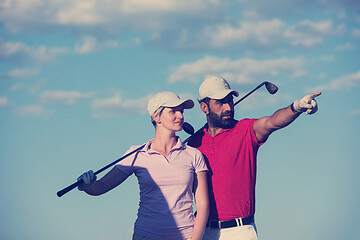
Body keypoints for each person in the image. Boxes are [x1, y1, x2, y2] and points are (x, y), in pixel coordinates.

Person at [187, 76, 321, 240]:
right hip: (203, 232)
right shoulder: (193, 143)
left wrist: (297, 106)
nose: (228, 107)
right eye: (220, 102)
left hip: (240, 231)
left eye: (230, 101)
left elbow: (272, 122)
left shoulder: (245, 130)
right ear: (204, 107)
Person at [77, 91, 209, 240]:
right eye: (173, 111)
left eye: (181, 111)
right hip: (146, 235)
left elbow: (203, 204)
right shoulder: (136, 154)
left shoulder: (193, 155)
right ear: (156, 116)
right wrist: (87, 185)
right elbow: (100, 187)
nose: (180, 115)